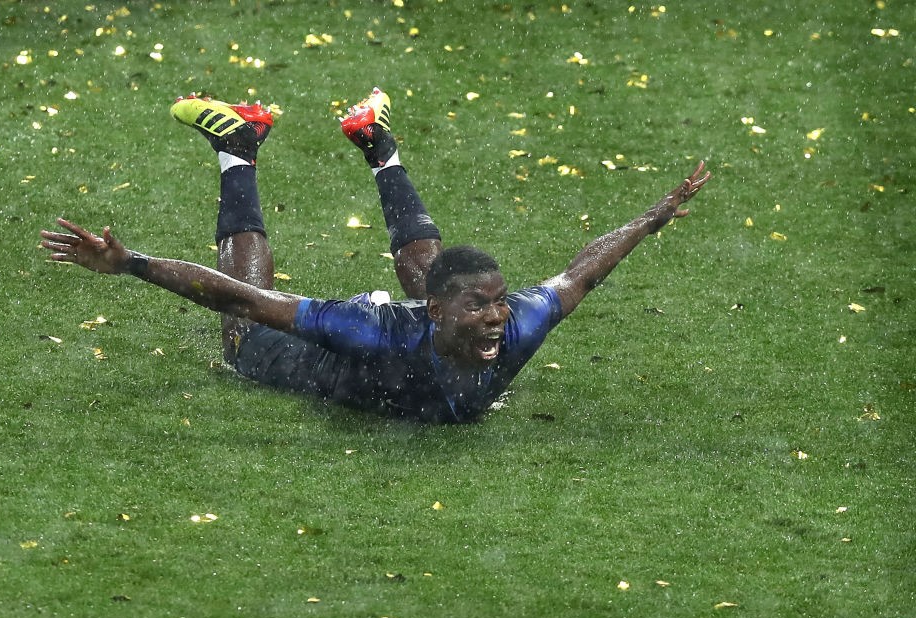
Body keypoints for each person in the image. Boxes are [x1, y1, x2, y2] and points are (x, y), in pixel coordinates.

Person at [40, 87, 710, 423]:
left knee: (437, 275)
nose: (497, 317)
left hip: (415, 329)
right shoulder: (369, 331)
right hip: (328, 359)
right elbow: (245, 298)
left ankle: (376, 142)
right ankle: (236, 149)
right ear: (442, 312)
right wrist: (129, 263)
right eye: (480, 306)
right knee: (241, 337)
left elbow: (581, 272)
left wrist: (650, 220)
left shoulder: (515, 325)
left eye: (498, 302)